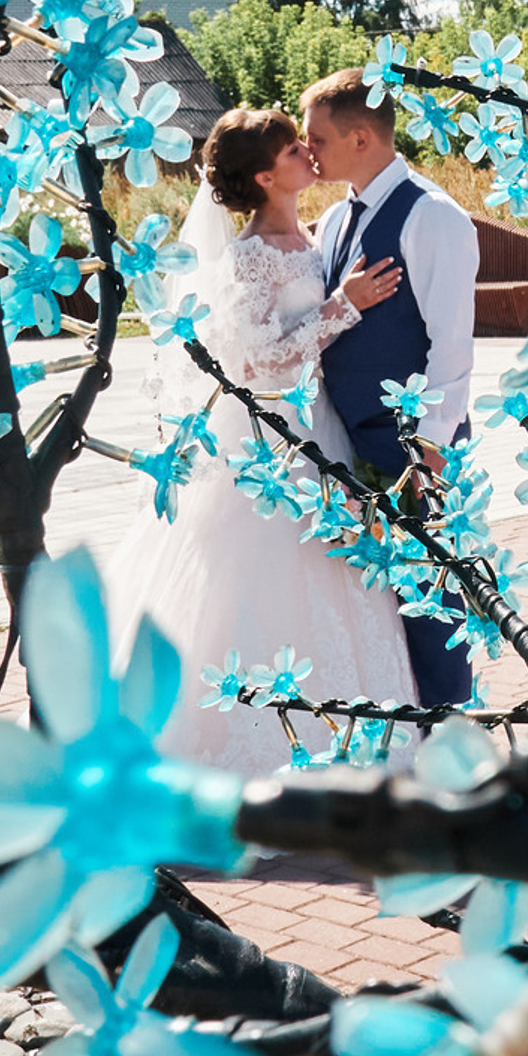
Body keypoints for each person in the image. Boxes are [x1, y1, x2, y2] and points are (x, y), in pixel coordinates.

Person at [99, 106, 419, 778]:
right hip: (273, 441)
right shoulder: (247, 258)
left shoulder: (318, 236)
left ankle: (351, 741)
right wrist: (345, 304)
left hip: (321, 427)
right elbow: (257, 365)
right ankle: (255, 750)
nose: (308, 151)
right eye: (291, 148)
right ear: (266, 176)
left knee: (338, 579)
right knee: (262, 585)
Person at [299, 67, 482, 709]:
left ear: (359, 138)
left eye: (315, 138)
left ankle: (452, 728)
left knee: (430, 597)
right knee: (381, 601)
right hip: (349, 445)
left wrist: (429, 451)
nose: (306, 148)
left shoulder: (432, 217)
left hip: (411, 452)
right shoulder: (331, 222)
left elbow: (452, 347)